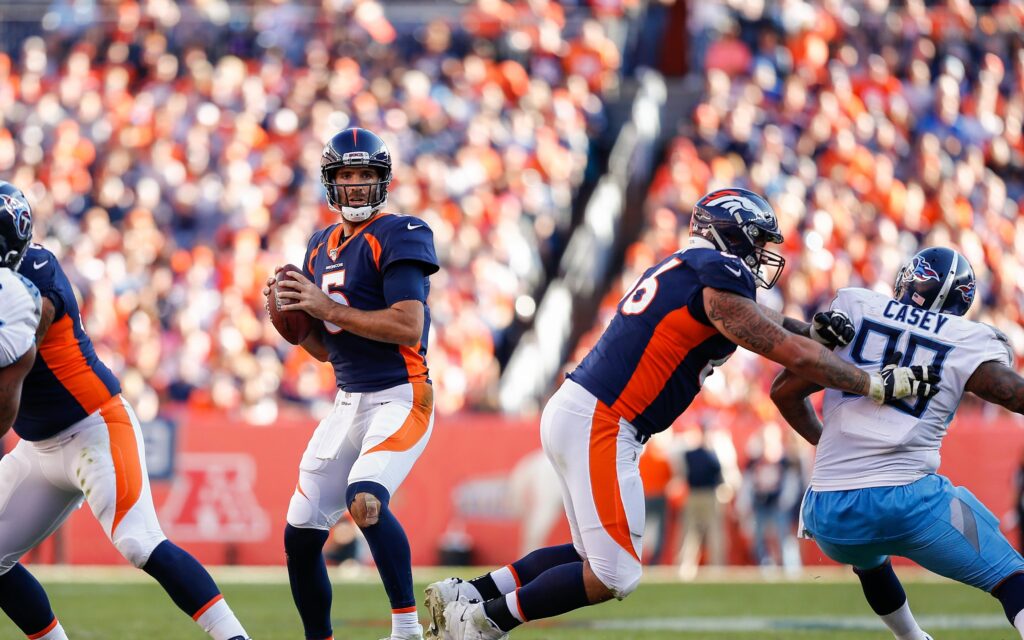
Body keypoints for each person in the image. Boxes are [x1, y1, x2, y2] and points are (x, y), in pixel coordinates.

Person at [423, 187, 940, 640]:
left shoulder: (690, 271)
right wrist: (875, 383)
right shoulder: (719, 274)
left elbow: (767, 322)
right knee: (616, 572)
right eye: (756, 242)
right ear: (730, 236)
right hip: (604, 418)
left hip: (584, 410)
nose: (761, 256)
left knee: (591, 559)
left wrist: (810, 330)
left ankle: (464, 595)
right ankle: (483, 622)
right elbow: (784, 350)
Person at [0, 181, 251, 640]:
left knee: (139, 542)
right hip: (37, 447)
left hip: (93, 426)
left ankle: (235, 638)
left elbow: (9, 381)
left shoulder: (35, 276)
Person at [770, 246, 1024, 640]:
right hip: (909, 504)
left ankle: (912, 637)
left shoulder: (858, 307)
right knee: (1013, 578)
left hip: (829, 515)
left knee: (869, 559)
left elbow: (784, 392)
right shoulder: (967, 338)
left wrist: (829, 445)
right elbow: (1009, 391)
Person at [266, 127, 439, 640]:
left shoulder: (402, 231)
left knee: (366, 499)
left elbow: (408, 326)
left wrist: (325, 307)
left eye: (366, 174)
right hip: (348, 400)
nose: (357, 184)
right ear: (331, 182)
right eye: (347, 174)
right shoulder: (319, 245)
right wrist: (297, 327)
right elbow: (327, 348)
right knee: (300, 535)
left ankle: (406, 629)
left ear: (382, 180)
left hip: (401, 395)